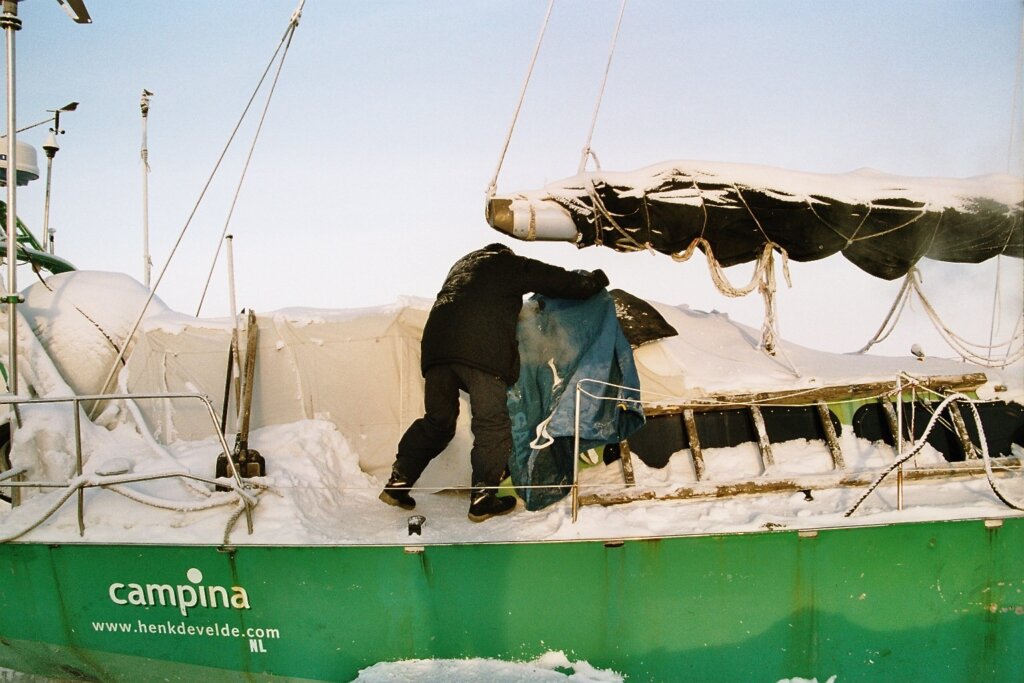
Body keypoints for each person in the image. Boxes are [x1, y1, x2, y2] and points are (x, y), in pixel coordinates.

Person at [379, 243, 609, 522]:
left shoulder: (459, 270)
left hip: (436, 353)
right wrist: (591, 283)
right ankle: (483, 498)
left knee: (437, 421)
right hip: (480, 352)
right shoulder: (504, 264)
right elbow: (552, 278)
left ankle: (399, 482)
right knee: (492, 424)